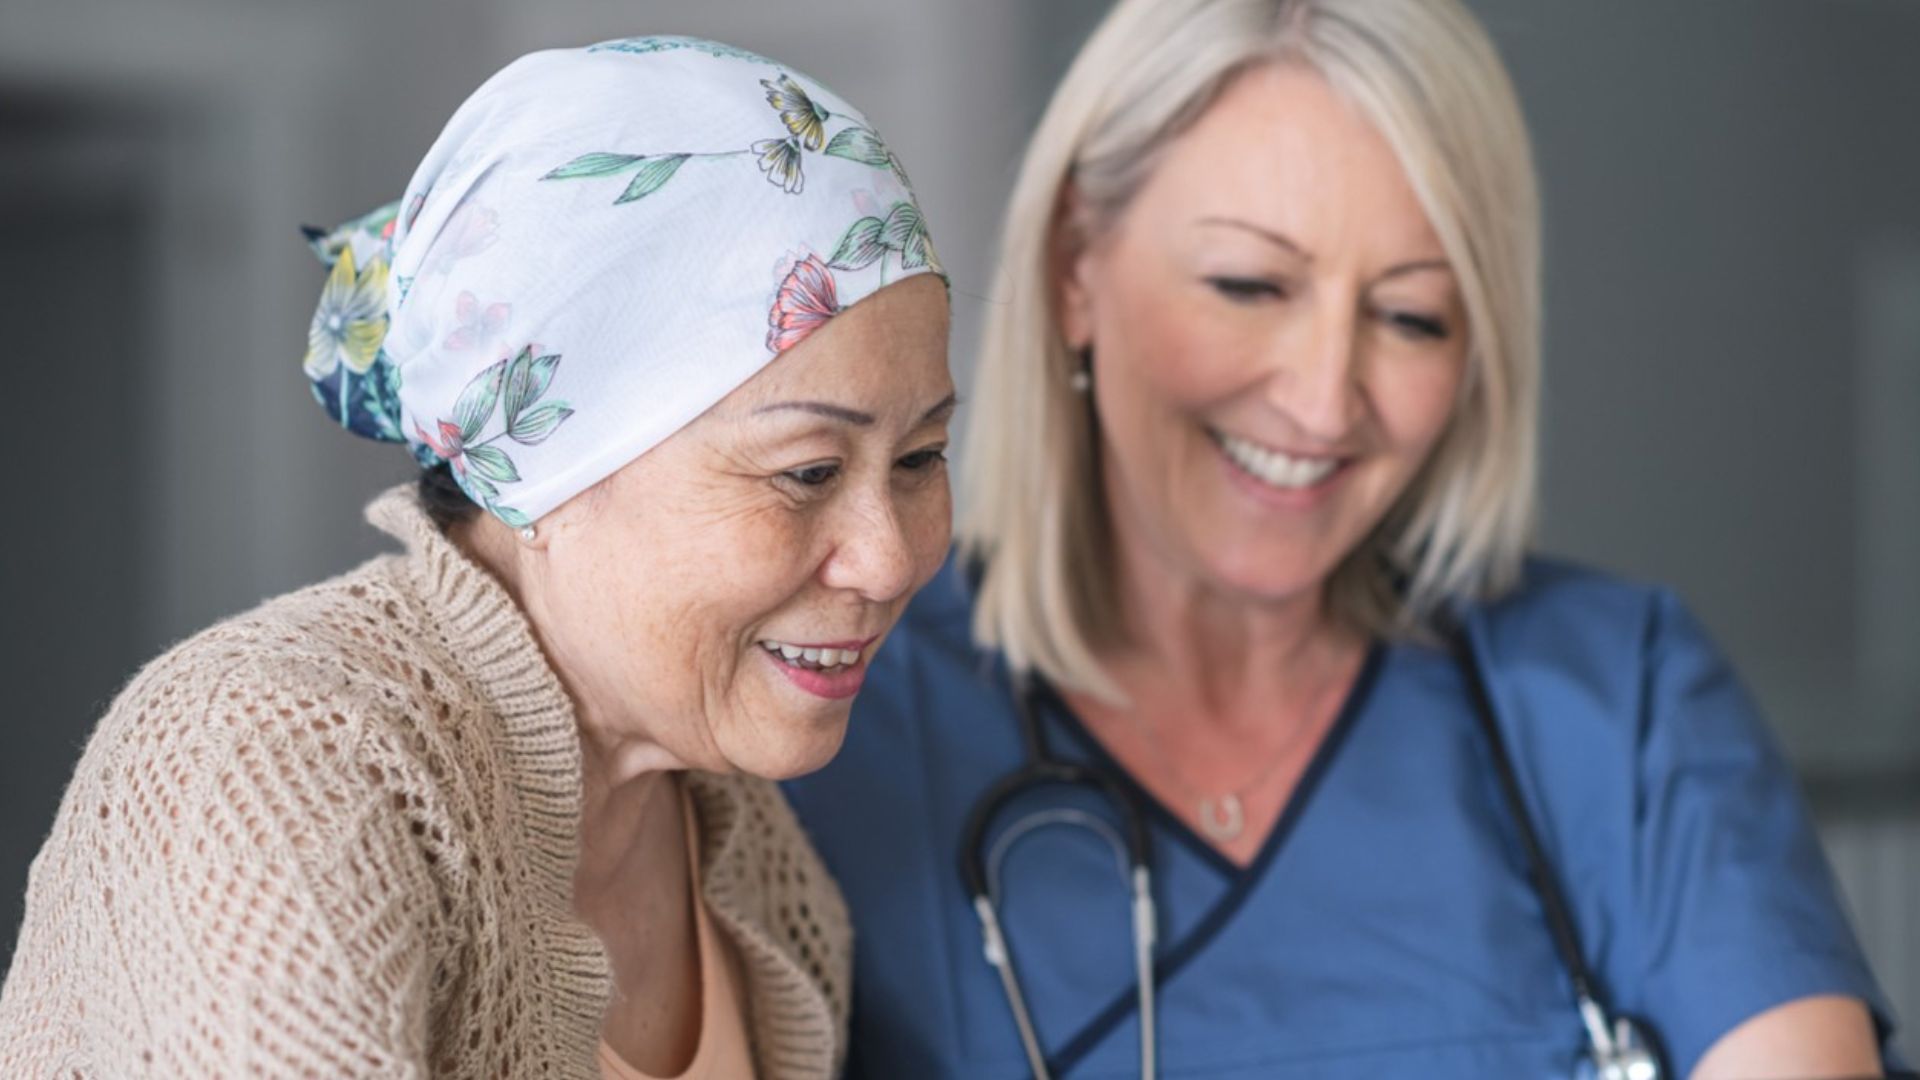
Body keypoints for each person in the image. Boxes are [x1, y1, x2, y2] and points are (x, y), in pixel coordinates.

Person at [781, 1, 1900, 1077]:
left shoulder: (1618, 706)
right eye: (1250, 284)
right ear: (1077, 265)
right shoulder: (837, 721)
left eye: (1411, 314)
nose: (1324, 404)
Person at [0, 36, 954, 1079]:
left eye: (920, 457)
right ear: (543, 464)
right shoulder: (267, 767)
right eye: (809, 472)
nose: (891, 558)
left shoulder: (743, 842)